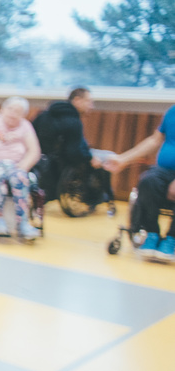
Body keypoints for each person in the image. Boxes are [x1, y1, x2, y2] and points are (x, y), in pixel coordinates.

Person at [103, 104, 175, 261]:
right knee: (148, 181)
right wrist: (123, 159)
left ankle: (172, 239)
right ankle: (152, 233)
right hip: (164, 171)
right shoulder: (172, 112)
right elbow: (155, 140)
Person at [31, 86, 114, 212]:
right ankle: (103, 196)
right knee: (109, 157)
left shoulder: (43, 115)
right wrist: (90, 159)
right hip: (63, 163)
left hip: (42, 161)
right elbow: (73, 152)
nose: (91, 106)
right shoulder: (73, 121)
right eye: (89, 101)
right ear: (77, 100)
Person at [0, 96, 42, 240]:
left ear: (23, 115)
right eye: (10, 109)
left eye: (18, 111)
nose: (13, 113)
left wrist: (22, 167)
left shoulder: (26, 126)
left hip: (15, 165)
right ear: (2, 109)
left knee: (20, 177)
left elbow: (34, 151)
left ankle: (22, 222)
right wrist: (0, 136)